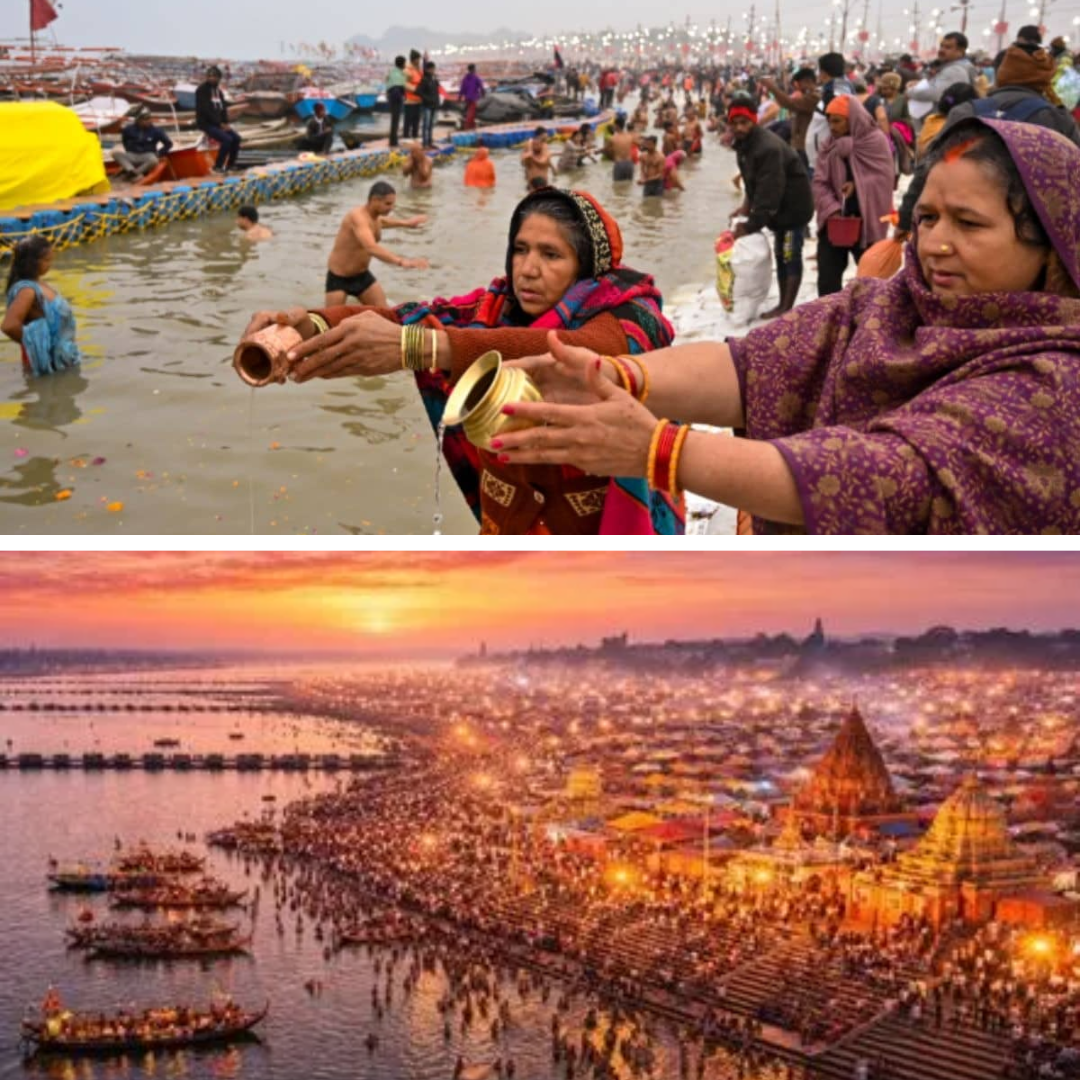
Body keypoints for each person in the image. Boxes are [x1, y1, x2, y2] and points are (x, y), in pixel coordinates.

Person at [489, 119, 1080, 534]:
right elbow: (754, 365)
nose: (935, 244)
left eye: (969, 224)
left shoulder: (1056, 383)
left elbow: (886, 477)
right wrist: (615, 376)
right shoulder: (888, 307)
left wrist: (658, 451)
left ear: (1051, 242)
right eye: (925, 217)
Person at [239, 188, 681, 535]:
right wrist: (307, 325)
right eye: (521, 249)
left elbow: (583, 352)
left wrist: (423, 347)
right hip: (513, 526)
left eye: (551, 255)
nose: (527, 269)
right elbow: (402, 318)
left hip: (609, 530)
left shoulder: (631, 314)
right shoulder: (489, 312)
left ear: (586, 267)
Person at [727, 101, 814, 318]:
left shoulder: (767, 148)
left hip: (793, 208)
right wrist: (745, 207)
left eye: (744, 122)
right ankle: (784, 302)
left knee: (789, 254)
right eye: (734, 123)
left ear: (753, 121)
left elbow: (769, 192)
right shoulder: (743, 144)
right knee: (781, 253)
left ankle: (786, 306)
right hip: (778, 209)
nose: (739, 127)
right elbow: (752, 181)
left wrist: (750, 226)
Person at [813, 95, 896, 296]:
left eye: (837, 121)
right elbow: (819, 182)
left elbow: (884, 180)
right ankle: (831, 320)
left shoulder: (875, 141)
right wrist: (832, 208)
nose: (832, 127)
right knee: (827, 279)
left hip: (868, 221)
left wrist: (857, 186)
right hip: (835, 222)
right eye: (829, 121)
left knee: (872, 280)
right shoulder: (829, 145)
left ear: (853, 118)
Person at [324, 181, 429, 306]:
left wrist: (407, 223)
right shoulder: (357, 217)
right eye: (388, 204)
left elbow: (382, 222)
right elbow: (371, 247)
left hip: (362, 276)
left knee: (385, 315)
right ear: (374, 200)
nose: (391, 208)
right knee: (332, 323)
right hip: (339, 278)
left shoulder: (375, 217)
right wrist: (401, 261)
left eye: (393, 204)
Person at [2, 237, 81, 376]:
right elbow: (9, 326)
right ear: (32, 262)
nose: (50, 264)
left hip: (61, 356)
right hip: (48, 360)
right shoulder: (27, 290)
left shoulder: (38, 282)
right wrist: (40, 346)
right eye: (47, 260)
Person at [758, 68, 819, 172]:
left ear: (808, 81)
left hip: (806, 147)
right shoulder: (807, 96)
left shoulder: (814, 97)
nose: (798, 88)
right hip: (800, 145)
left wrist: (772, 87)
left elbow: (789, 104)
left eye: (799, 84)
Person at [907, 32, 977, 108]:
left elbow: (935, 94)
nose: (941, 50)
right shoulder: (955, 66)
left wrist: (909, 92)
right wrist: (921, 84)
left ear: (960, 51)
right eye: (941, 46)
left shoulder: (956, 70)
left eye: (948, 47)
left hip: (945, 118)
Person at [195, 65, 241, 173]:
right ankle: (218, 166)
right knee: (227, 139)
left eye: (215, 76)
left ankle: (230, 165)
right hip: (206, 123)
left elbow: (223, 109)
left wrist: (225, 123)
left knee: (236, 138)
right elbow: (206, 110)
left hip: (218, 123)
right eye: (210, 76)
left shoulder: (219, 92)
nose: (212, 78)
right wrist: (219, 124)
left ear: (219, 78)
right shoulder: (202, 90)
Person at [114, 109, 173, 180]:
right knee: (116, 154)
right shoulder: (128, 129)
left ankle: (135, 173)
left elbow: (168, 144)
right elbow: (125, 141)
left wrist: (159, 153)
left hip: (148, 155)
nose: (147, 121)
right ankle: (130, 170)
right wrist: (129, 150)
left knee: (154, 160)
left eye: (148, 119)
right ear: (138, 120)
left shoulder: (157, 131)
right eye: (144, 120)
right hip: (132, 154)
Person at [386, 56, 407, 148]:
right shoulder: (399, 74)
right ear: (402, 64)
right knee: (396, 120)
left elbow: (388, 84)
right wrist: (402, 97)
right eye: (405, 63)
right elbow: (399, 87)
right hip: (396, 98)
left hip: (392, 97)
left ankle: (393, 140)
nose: (405, 65)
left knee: (394, 120)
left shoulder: (392, 72)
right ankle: (393, 142)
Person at [418, 61, 440, 149]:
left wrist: (437, 102)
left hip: (433, 105)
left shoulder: (433, 79)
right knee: (426, 125)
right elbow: (418, 91)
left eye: (434, 69)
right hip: (427, 106)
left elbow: (436, 92)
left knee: (431, 125)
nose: (434, 70)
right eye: (432, 69)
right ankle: (425, 143)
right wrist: (427, 99)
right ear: (428, 69)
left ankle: (430, 142)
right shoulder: (424, 79)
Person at [608, 115, 635, 181]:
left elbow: (608, 151)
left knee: (617, 186)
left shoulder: (613, 138)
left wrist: (612, 158)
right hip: (629, 164)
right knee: (628, 186)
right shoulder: (630, 136)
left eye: (614, 125)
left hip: (619, 163)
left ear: (616, 125)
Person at [403, 50, 423, 141]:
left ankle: (415, 137)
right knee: (408, 121)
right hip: (410, 100)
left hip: (418, 100)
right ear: (414, 59)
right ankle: (406, 139)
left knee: (416, 121)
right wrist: (416, 90)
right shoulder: (407, 70)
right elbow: (404, 83)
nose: (419, 61)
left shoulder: (418, 70)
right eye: (418, 59)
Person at [460, 64, 485, 131]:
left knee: (470, 113)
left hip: (467, 98)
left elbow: (462, 89)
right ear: (474, 69)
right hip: (473, 98)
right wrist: (483, 94)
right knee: (471, 114)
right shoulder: (476, 77)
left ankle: (472, 128)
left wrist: (459, 98)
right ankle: (467, 128)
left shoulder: (465, 78)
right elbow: (481, 87)